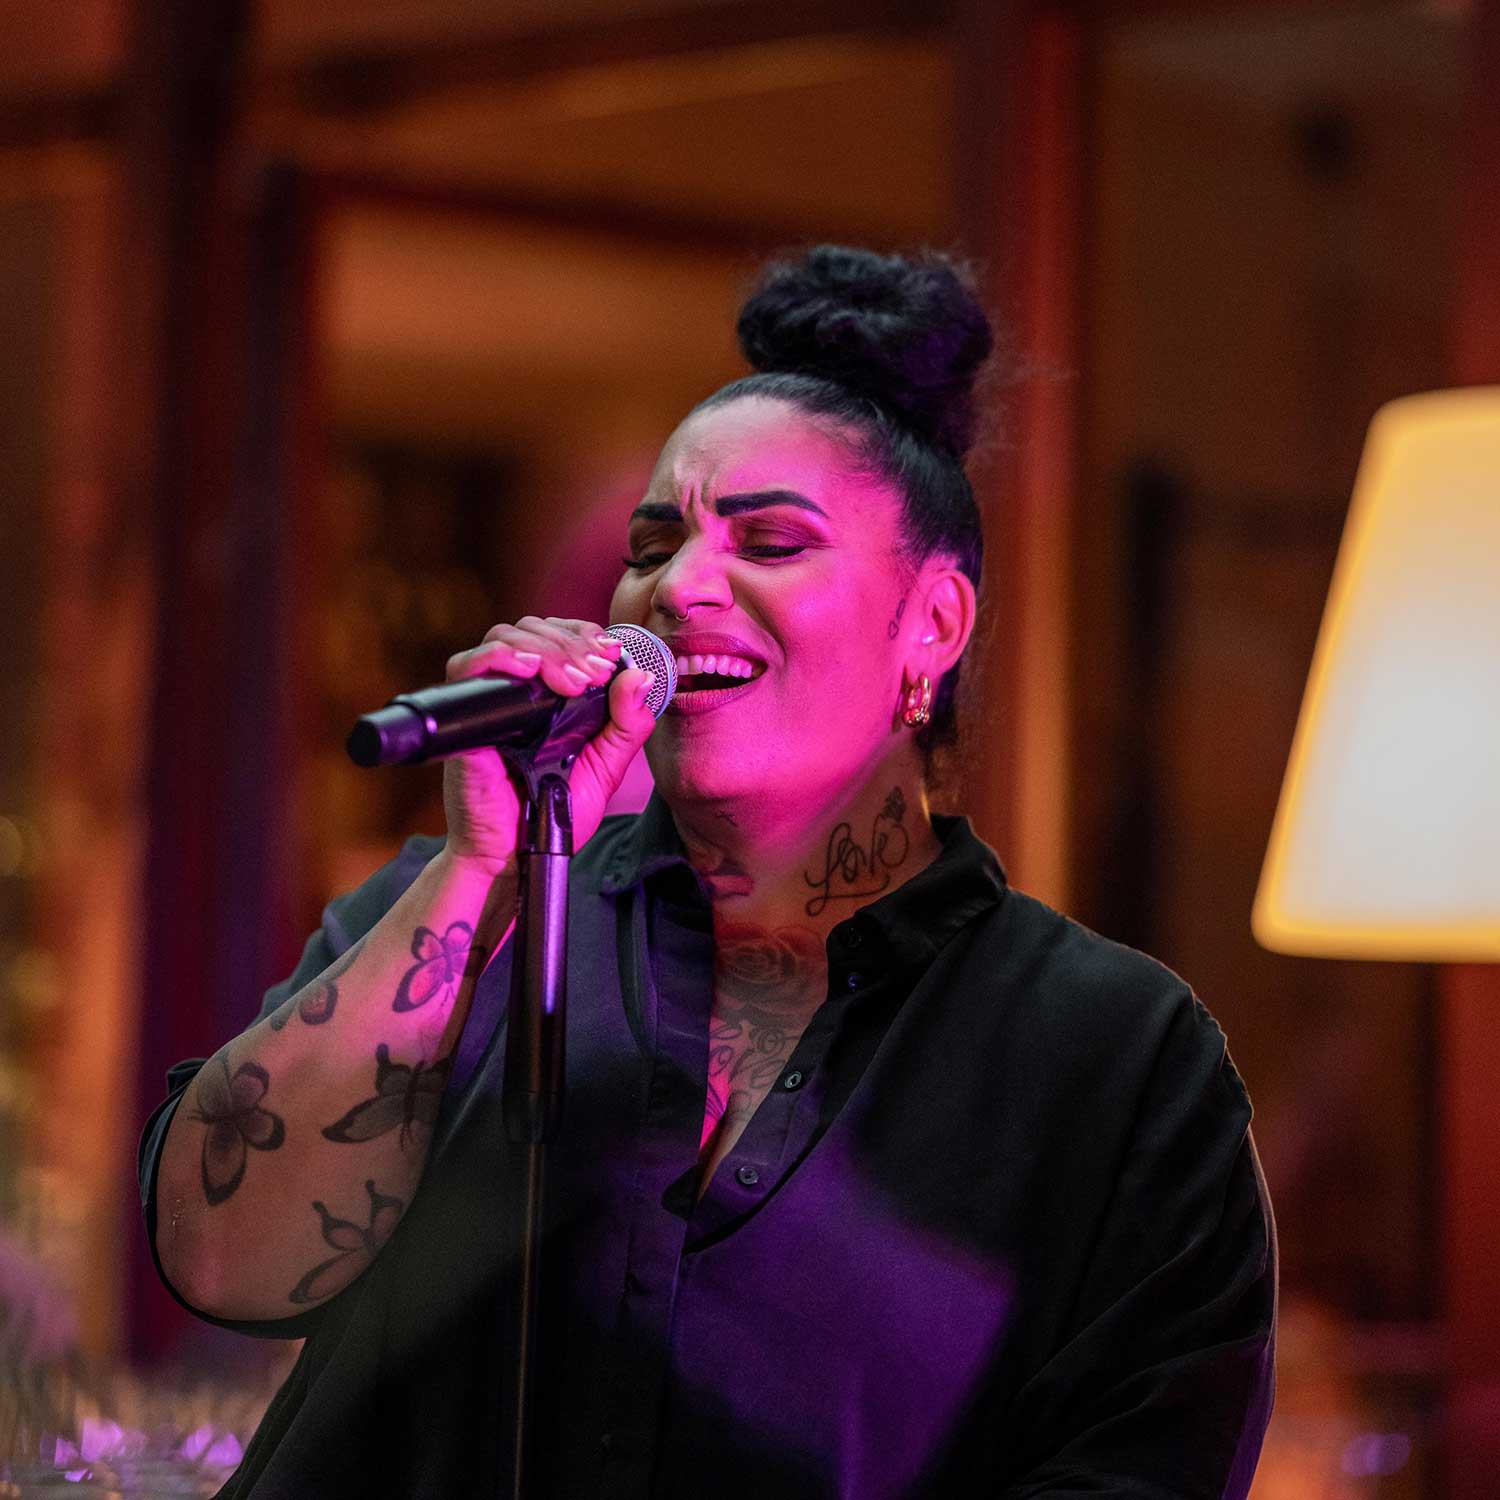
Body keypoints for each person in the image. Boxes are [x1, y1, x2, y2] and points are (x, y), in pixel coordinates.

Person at [139, 245, 1276, 1499]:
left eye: (771, 543)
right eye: (653, 544)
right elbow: (218, 1256)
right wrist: (481, 870)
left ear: (934, 625)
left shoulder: (1115, 1059)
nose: (676, 587)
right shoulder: (464, 916)